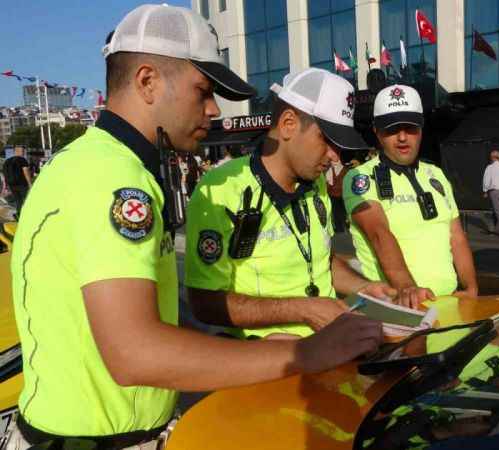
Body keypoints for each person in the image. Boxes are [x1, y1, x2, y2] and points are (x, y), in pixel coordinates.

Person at [6, 6, 382, 449]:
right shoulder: (112, 177)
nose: (214, 109)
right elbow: (135, 353)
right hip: (90, 440)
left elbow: (145, 322)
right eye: (203, 90)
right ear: (147, 81)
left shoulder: (103, 164)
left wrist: (263, 348)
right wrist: (302, 353)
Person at [184, 67, 398, 340]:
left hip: (334, 348)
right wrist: (303, 310)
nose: (335, 156)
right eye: (327, 139)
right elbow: (204, 302)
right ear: (288, 124)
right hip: (268, 368)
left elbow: (321, 260)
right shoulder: (219, 189)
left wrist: (364, 287)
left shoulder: (315, 182)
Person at [343, 85, 478, 307]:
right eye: (392, 129)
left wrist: (471, 287)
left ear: (422, 128)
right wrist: (408, 289)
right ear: (377, 131)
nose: (403, 137)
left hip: (449, 302)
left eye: (410, 128)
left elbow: (456, 236)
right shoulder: (362, 177)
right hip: (400, 304)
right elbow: (379, 234)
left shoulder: (436, 174)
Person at [2, 146, 32, 215]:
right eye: (23, 151)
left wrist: (5, 186)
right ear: (19, 151)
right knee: (26, 200)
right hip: (22, 184)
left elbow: (4, 174)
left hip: (12, 185)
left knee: (18, 201)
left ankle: (19, 214)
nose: (24, 152)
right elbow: (26, 172)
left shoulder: (7, 161)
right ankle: (27, 215)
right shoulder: (22, 160)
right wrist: (30, 184)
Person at [325, 157, 348, 232]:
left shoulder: (330, 169)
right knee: (343, 211)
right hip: (342, 194)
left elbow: (329, 183)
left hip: (334, 195)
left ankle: (339, 229)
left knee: (337, 213)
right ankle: (345, 227)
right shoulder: (344, 168)